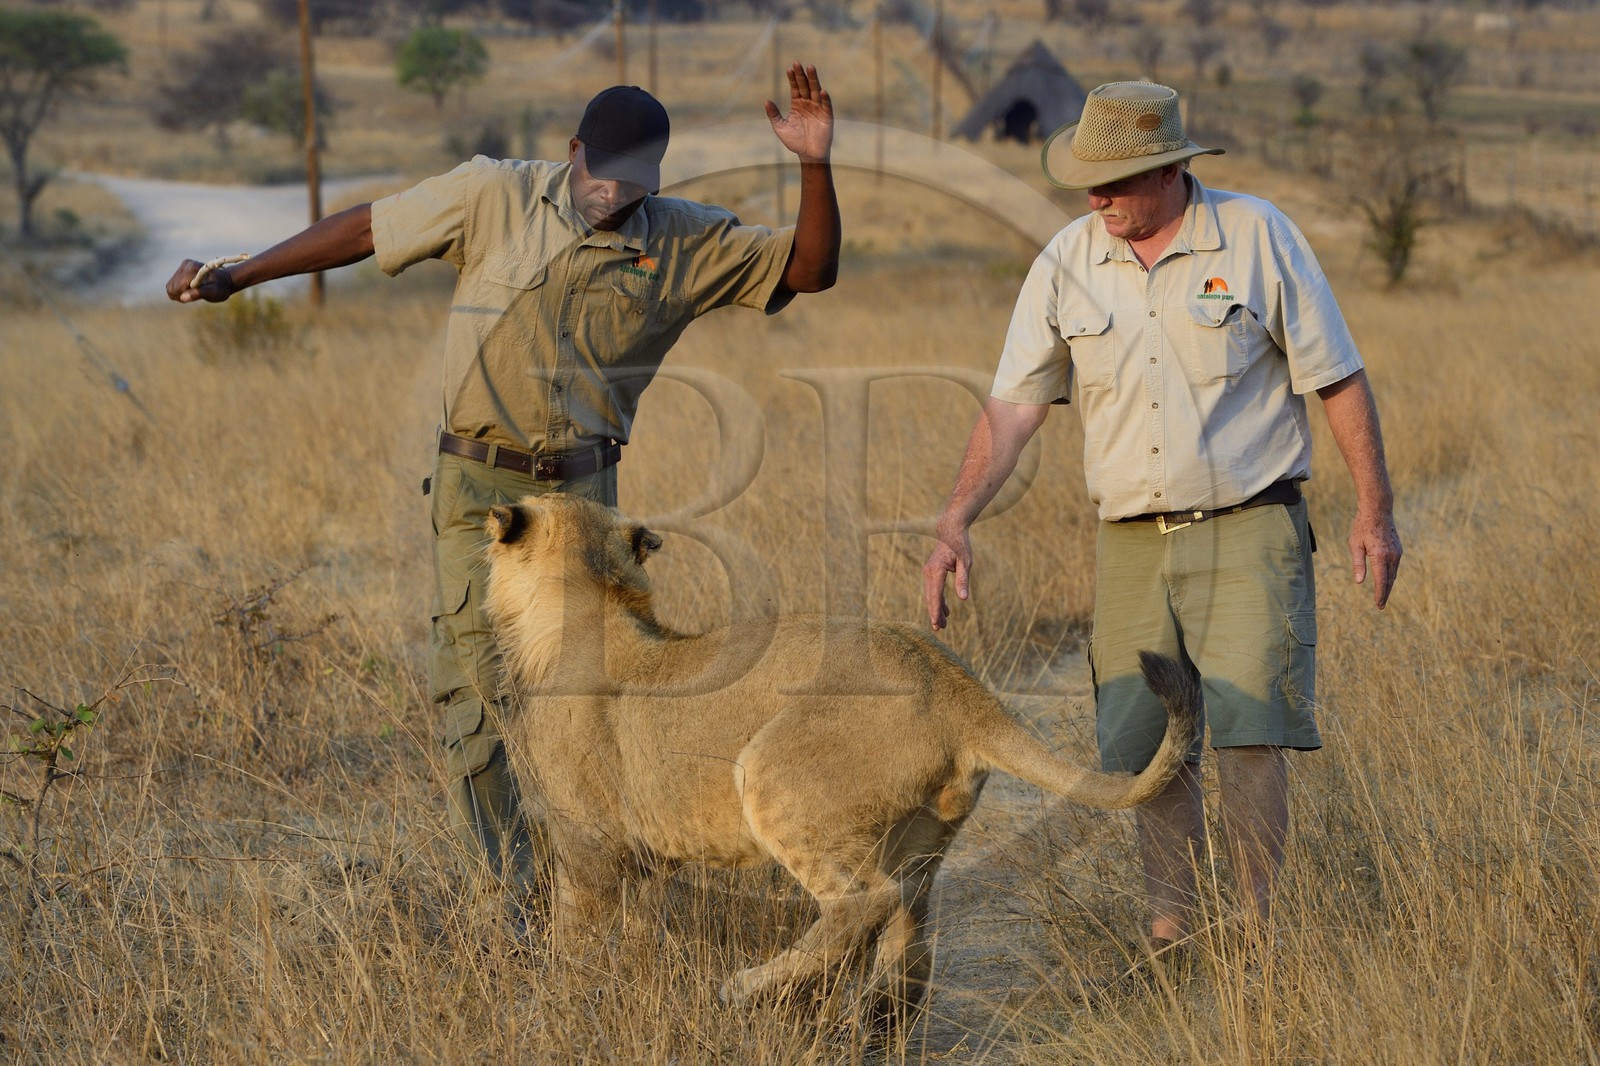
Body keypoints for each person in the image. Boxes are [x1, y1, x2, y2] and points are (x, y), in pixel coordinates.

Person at [167, 64, 841, 900]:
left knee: (588, 704)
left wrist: (814, 163)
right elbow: (368, 230)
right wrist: (239, 274)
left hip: (583, 508)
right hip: (479, 493)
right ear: (572, 154)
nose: (611, 197)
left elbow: (809, 270)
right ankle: (515, 902)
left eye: (632, 185)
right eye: (600, 177)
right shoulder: (492, 196)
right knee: (478, 694)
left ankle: (596, 891)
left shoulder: (682, 240)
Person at [921, 82, 1400, 960]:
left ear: (1175, 168)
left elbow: (1335, 377)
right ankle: (1169, 934)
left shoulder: (1259, 237)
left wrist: (1375, 510)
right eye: (1086, 183)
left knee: (1251, 735)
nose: (1095, 199)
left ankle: (1258, 937)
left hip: (1251, 523)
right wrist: (956, 518)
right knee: (1148, 746)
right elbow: (1013, 410)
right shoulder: (1065, 261)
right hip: (1132, 540)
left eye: (1115, 181)